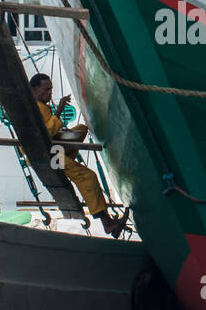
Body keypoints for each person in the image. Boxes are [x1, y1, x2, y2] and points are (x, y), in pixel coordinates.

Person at [28, 73, 130, 237]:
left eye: (51, 89)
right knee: (87, 176)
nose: (50, 93)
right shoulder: (34, 108)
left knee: (81, 128)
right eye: (46, 89)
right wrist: (59, 111)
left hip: (55, 148)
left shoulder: (41, 106)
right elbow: (45, 135)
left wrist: (62, 129)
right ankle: (107, 223)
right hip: (48, 155)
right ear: (34, 89)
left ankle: (68, 164)